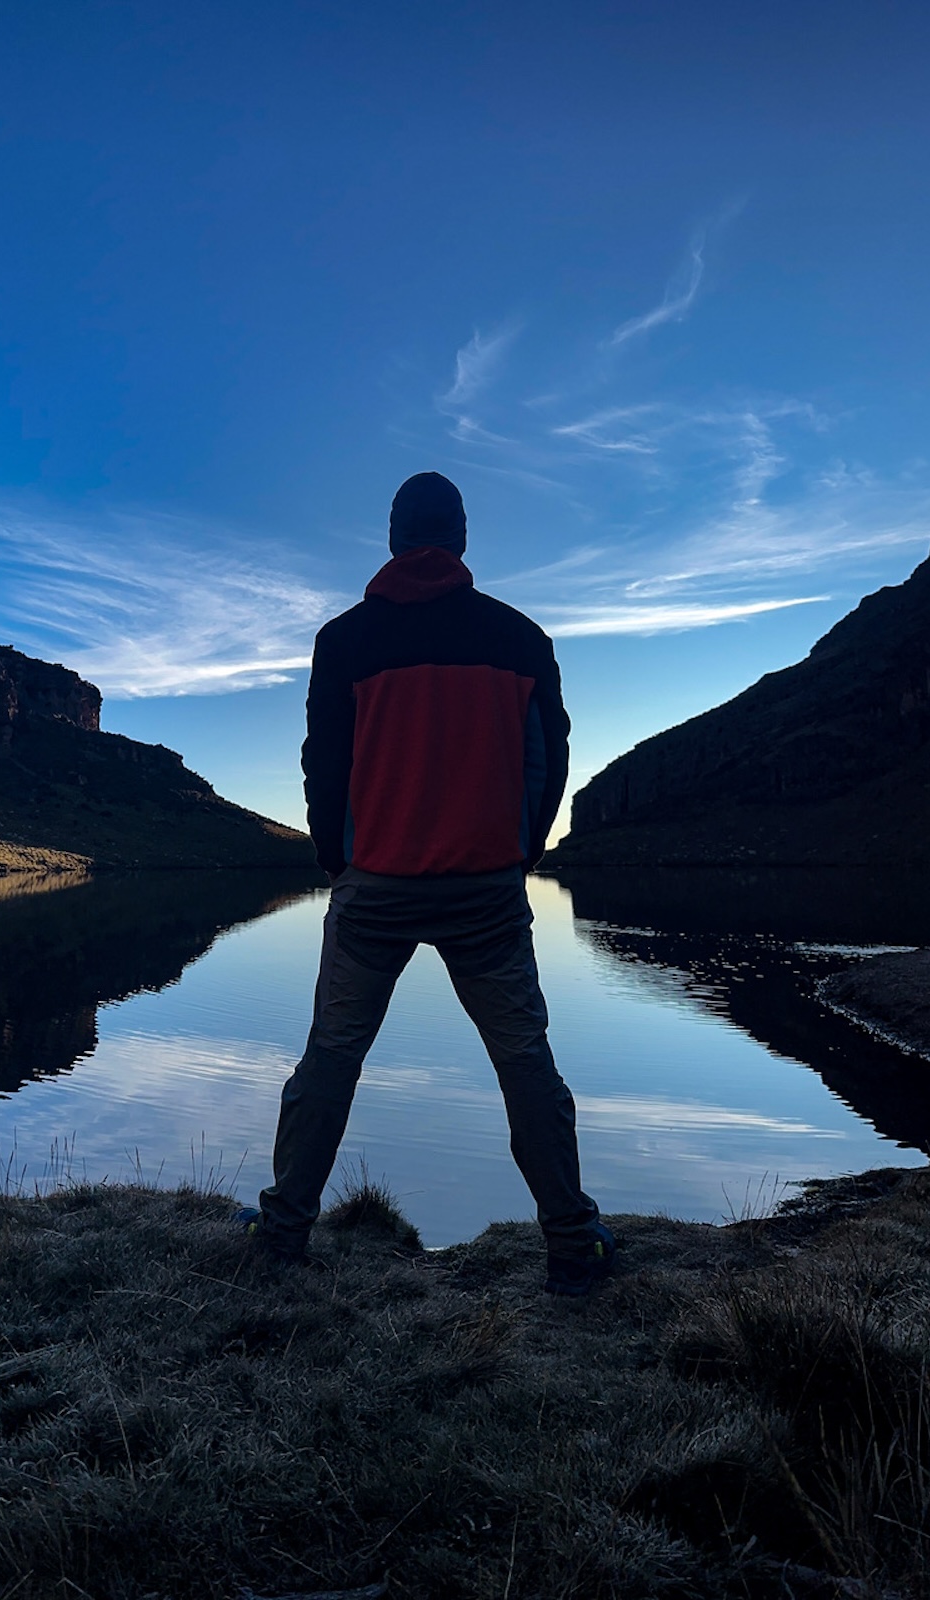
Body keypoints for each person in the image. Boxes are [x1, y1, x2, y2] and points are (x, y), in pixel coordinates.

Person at [243, 471, 613, 1295]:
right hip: (485, 891)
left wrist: (336, 863)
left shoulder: (344, 641)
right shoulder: (520, 639)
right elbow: (547, 761)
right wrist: (523, 851)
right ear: (463, 538)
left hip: (374, 887)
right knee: (526, 1063)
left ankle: (281, 1238)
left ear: (392, 537)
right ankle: (571, 1243)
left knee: (330, 1060)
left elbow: (323, 765)